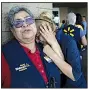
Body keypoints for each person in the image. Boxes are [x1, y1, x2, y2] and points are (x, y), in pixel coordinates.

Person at [2, 6, 64, 88]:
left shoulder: (45, 45)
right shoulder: (4, 55)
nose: (25, 24)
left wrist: (53, 42)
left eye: (28, 20)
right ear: (12, 30)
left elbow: (63, 68)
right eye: (18, 23)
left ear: (34, 24)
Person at [35, 12, 87, 88]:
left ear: (49, 31)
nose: (37, 40)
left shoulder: (68, 41)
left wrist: (52, 52)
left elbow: (75, 75)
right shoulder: (42, 43)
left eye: (38, 36)